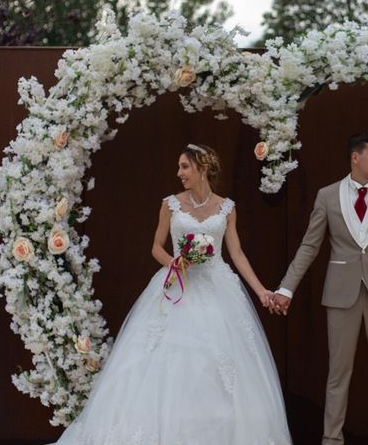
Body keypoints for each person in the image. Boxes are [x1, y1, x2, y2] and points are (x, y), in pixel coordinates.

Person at [51, 143, 292, 445]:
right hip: (178, 286)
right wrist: (177, 263)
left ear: (202, 168)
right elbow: (156, 246)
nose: (179, 173)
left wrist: (261, 292)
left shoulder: (227, 207)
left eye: (185, 167)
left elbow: (237, 253)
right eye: (179, 167)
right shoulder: (171, 204)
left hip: (219, 288)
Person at [270, 133, 368, 445]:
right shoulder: (327, 196)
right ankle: (332, 439)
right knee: (338, 373)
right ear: (356, 157)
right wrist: (286, 289)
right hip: (340, 295)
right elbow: (309, 246)